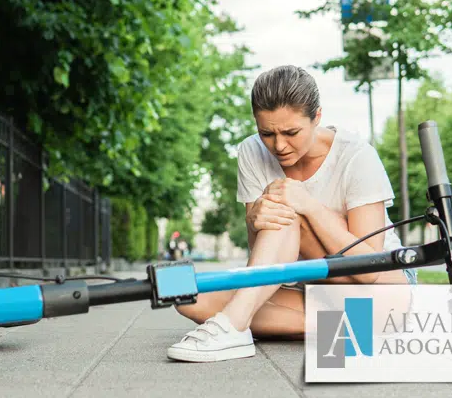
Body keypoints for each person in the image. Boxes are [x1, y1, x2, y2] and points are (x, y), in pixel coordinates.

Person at [166, 64, 417, 363]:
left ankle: (234, 325)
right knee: (186, 297)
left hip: (381, 287)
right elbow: (259, 261)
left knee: (285, 208)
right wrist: (253, 220)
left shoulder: (357, 157)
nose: (279, 145)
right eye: (266, 133)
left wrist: (308, 206)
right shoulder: (251, 151)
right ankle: (353, 327)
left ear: (317, 118)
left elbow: (369, 268)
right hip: (308, 287)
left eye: (291, 132)